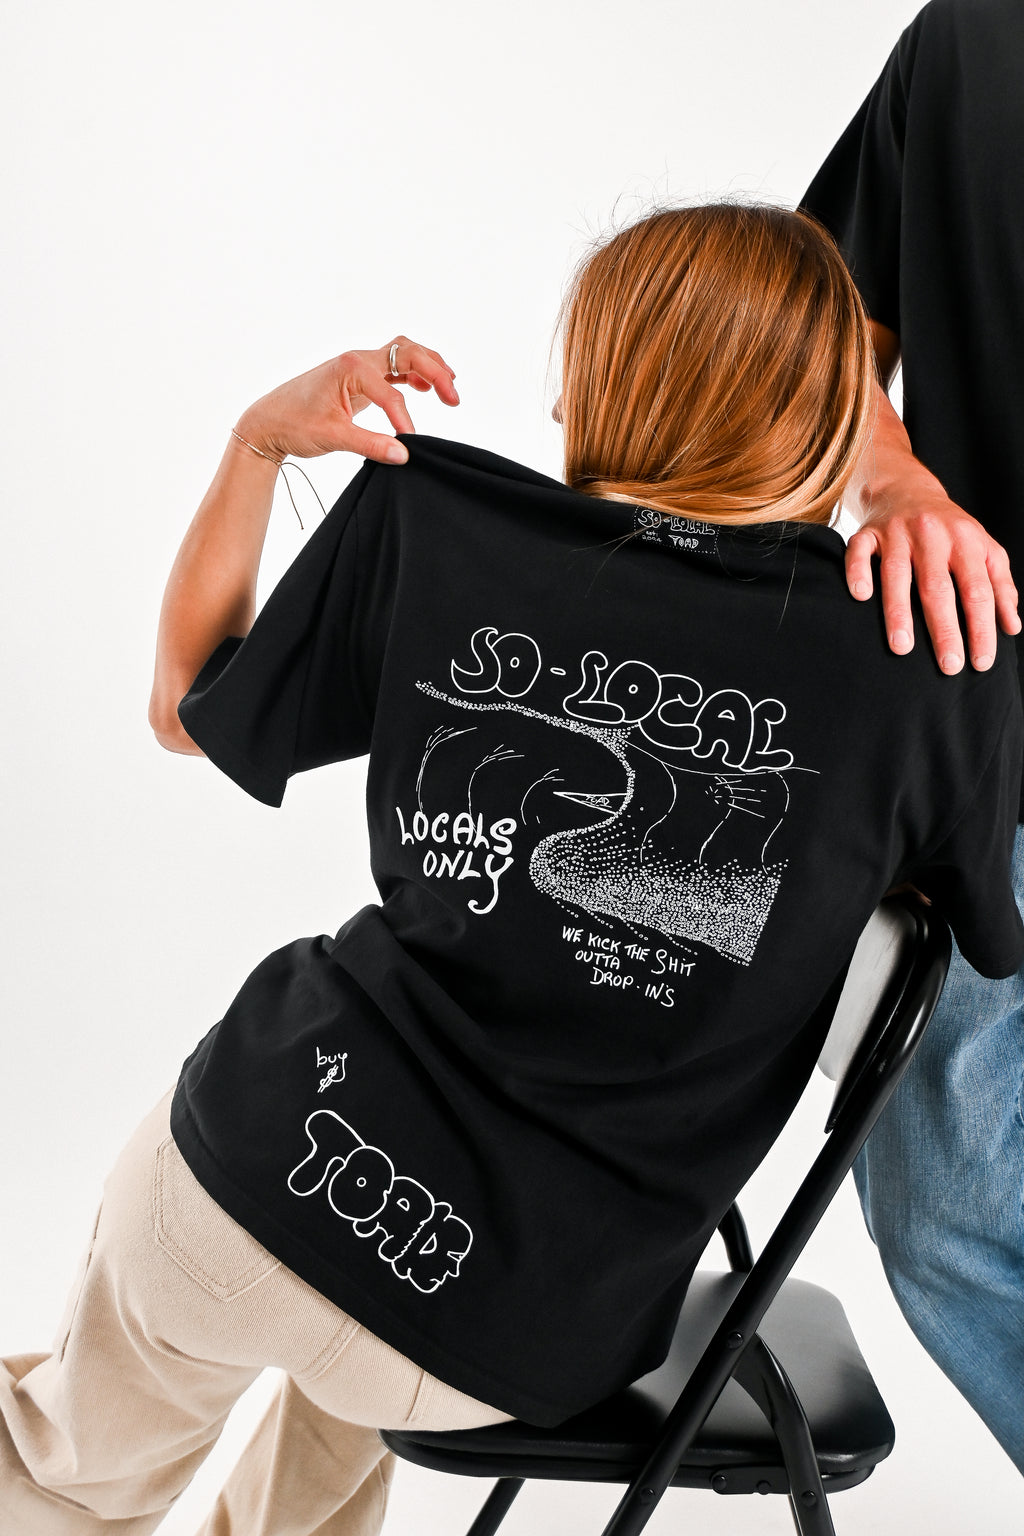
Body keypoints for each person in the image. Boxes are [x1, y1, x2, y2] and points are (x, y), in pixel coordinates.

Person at [1, 203, 1021, 1536]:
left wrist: (262, 442)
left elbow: (183, 701)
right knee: (316, 1458)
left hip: (250, 1167)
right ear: (838, 418)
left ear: (580, 385)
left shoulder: (438, 517)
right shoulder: (927, 662)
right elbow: (975, 940)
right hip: (495, 1328)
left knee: (52, 1484)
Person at [800, 0, 1024, 1473]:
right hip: (984, 738)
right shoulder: (970, 44)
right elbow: (807, 332)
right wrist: (888, 481)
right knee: (941, 1198)